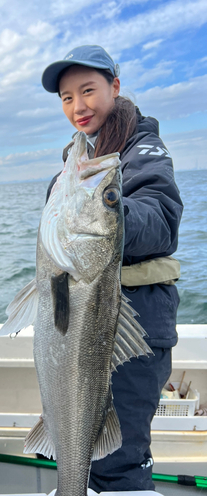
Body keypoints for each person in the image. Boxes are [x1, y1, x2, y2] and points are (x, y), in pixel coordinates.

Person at [41, 45, 183, 492]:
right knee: (74, 447)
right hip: (81, 322)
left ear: (114, 87)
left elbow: (161, 220)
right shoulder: (80, 157)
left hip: (135, 328)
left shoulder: (144, 146)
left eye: (88, 91)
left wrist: (106, 211)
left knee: (120, 462)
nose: (78, 106)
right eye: (67, 97)